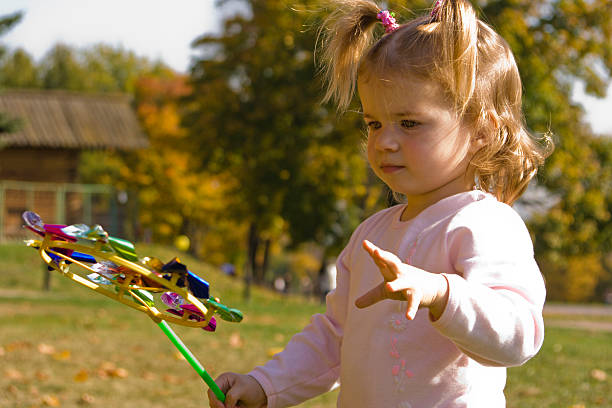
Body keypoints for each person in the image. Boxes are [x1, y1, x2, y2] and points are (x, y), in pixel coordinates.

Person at [208, 0, 553, 406]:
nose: (384, 141)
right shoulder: (372, 233)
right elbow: (335, 336)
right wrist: (265, 385)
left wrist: (442, 294)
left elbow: (520, 334)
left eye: (409, 123)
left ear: (481, 131)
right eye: (374, 123)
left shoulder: (485, 223)